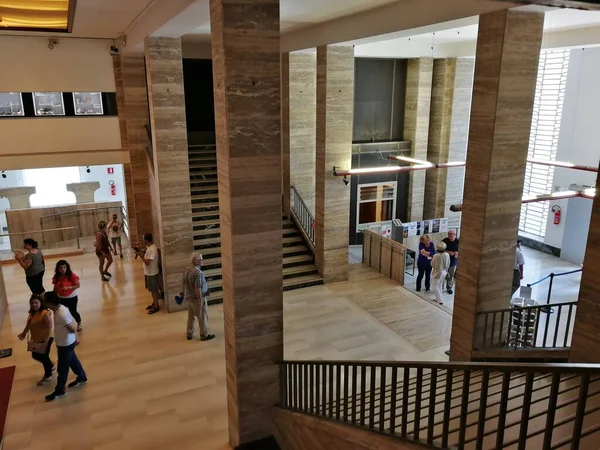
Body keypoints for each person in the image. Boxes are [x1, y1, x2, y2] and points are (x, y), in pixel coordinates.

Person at [42, 291, 88, 402]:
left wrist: (75, 338)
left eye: (45, 301)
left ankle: (60, 391)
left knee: (62, 369)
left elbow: (73, 327)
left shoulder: (61, 314)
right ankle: (82, 377)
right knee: (73, 361)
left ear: (50, 303)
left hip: (65, 345)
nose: (43, 303)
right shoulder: (58, 309)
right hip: (66, 343)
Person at [17, 295, 54, 385]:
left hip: (46, 339)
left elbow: (49, 327)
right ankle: (50, 365)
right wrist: (23, 333)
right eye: (32, 303)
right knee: (36, 355)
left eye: (36, 302)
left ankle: (48, 375)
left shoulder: (44, 313)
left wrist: (46, 341)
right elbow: (29, 324)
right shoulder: (32, 313)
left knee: (43, 356)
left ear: (40, 303)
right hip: (37, 339)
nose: (34, 305)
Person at [181, 253, 215, 341]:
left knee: (191, 317)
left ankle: (189, 333)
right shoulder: (198, 272)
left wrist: (183, 292)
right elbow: (197, 289)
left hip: (189, 298)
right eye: (201, 259)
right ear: (197, 261)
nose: (202, 261)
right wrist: (200, 301)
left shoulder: (187, 269)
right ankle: (204, 335)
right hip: (197, 299)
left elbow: (183, 282)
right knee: (202, 317)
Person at [52, 260, 82, 331]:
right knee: (61, 312)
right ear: (58, 269)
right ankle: (66, 324)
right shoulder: (56, 277)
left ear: (67, 267)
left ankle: (79, 322)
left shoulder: (71, 275)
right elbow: (55, 287)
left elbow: (78, 285)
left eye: (64, 267)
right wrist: (54, 295)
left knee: (73, 311)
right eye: (61, 268)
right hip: (61, 298)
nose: (62, 269)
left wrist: (69, 287)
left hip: (71, 297)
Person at [135, 233, 161, 315]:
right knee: (152, 289)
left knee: (154, 290)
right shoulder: (149, 247)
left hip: (152, 273)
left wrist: (141, 256)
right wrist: (139, 249)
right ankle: (154, 302)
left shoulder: (152, 250)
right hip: (149, 272)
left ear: (146, 240)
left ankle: (156, 306)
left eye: (143, 239)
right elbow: (145, 253)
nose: (143, 240)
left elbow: (147, 262)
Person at [442, 229, 459, 294]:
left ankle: (449, 288)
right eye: (448, 233)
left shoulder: (458, 241)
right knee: (443, 274)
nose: (449, 235)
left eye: (451, 234)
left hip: (453, 261)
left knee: (451, 275)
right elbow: (439, 249)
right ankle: (441, 286)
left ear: (454, 235)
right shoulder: (444, 240)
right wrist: (448, 252)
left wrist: (456, 252)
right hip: (444, 260)